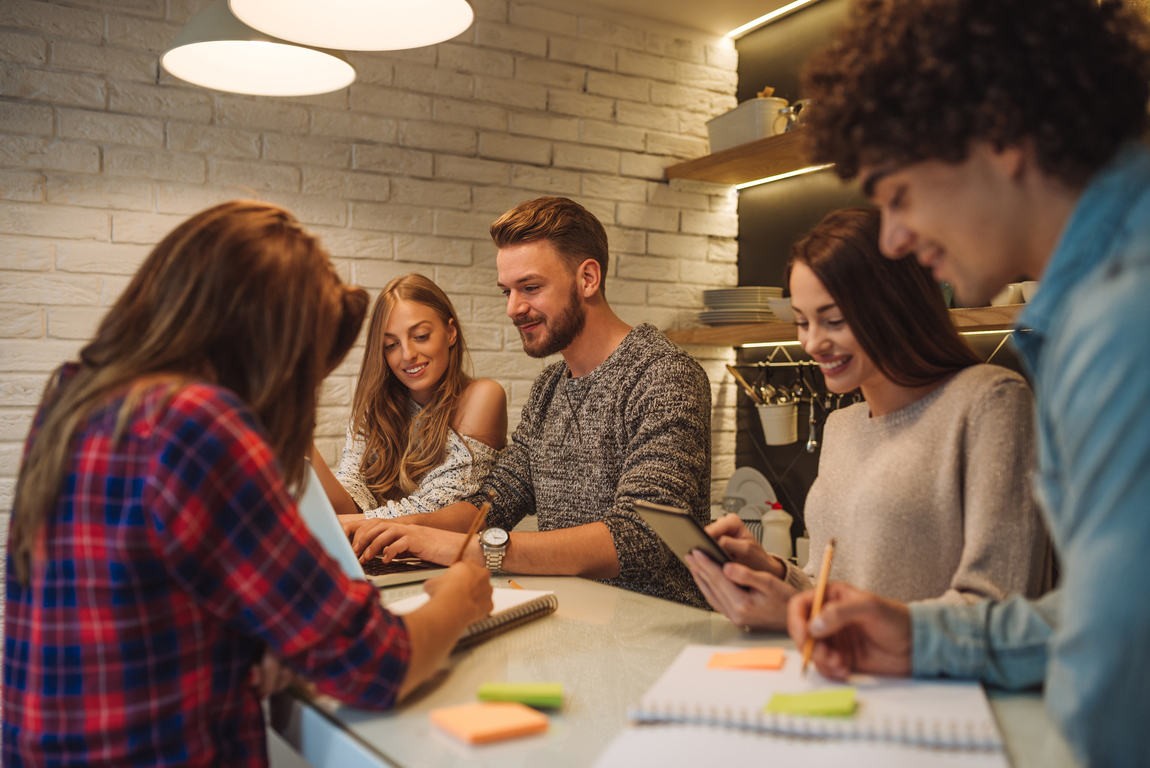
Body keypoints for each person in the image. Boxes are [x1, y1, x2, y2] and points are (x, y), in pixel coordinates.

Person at [781, 1, 1150, 766]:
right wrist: (918, 634)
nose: (893, 238)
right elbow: (1104, 622)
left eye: (899, 192)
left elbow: (1118, 694)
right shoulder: (1089, 312)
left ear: (1001, 131)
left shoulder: (1122, 319)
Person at [3, 201, 493, 768]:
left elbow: (151, 592)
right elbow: (374, 665)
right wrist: (458, 601)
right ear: (258, 340)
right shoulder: (196, 425)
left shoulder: (74, 395)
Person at [686, 207, 1050, 630]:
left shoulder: (991, 401)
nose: (812, 342)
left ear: (895, 305)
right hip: (846, 681)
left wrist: (799, 615)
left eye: (833, 320)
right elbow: (832, 590)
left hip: (944, 693)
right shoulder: (842, 425)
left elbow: (1001, 607)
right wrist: (772, 571)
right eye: (802, 322)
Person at [345, 196, 714, 608]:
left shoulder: (662, 375)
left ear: (587, 278)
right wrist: (391, 527)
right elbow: (494, 502)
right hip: (577, 630)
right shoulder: (549, 389)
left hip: (662, 637)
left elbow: (640, 535)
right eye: (507, 291)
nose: (513, 308)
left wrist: (478, 551)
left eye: (531, 288)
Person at [309, 273, 507, 520]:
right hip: (381, 556)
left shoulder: (483, 396)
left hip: (454, 559)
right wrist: (304, 439)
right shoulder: (376, 407)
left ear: (451, 332)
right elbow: (351, 495)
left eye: (421, 336)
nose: (407, 354)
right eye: (391, 345)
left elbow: (432, 509)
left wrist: (342, 523)